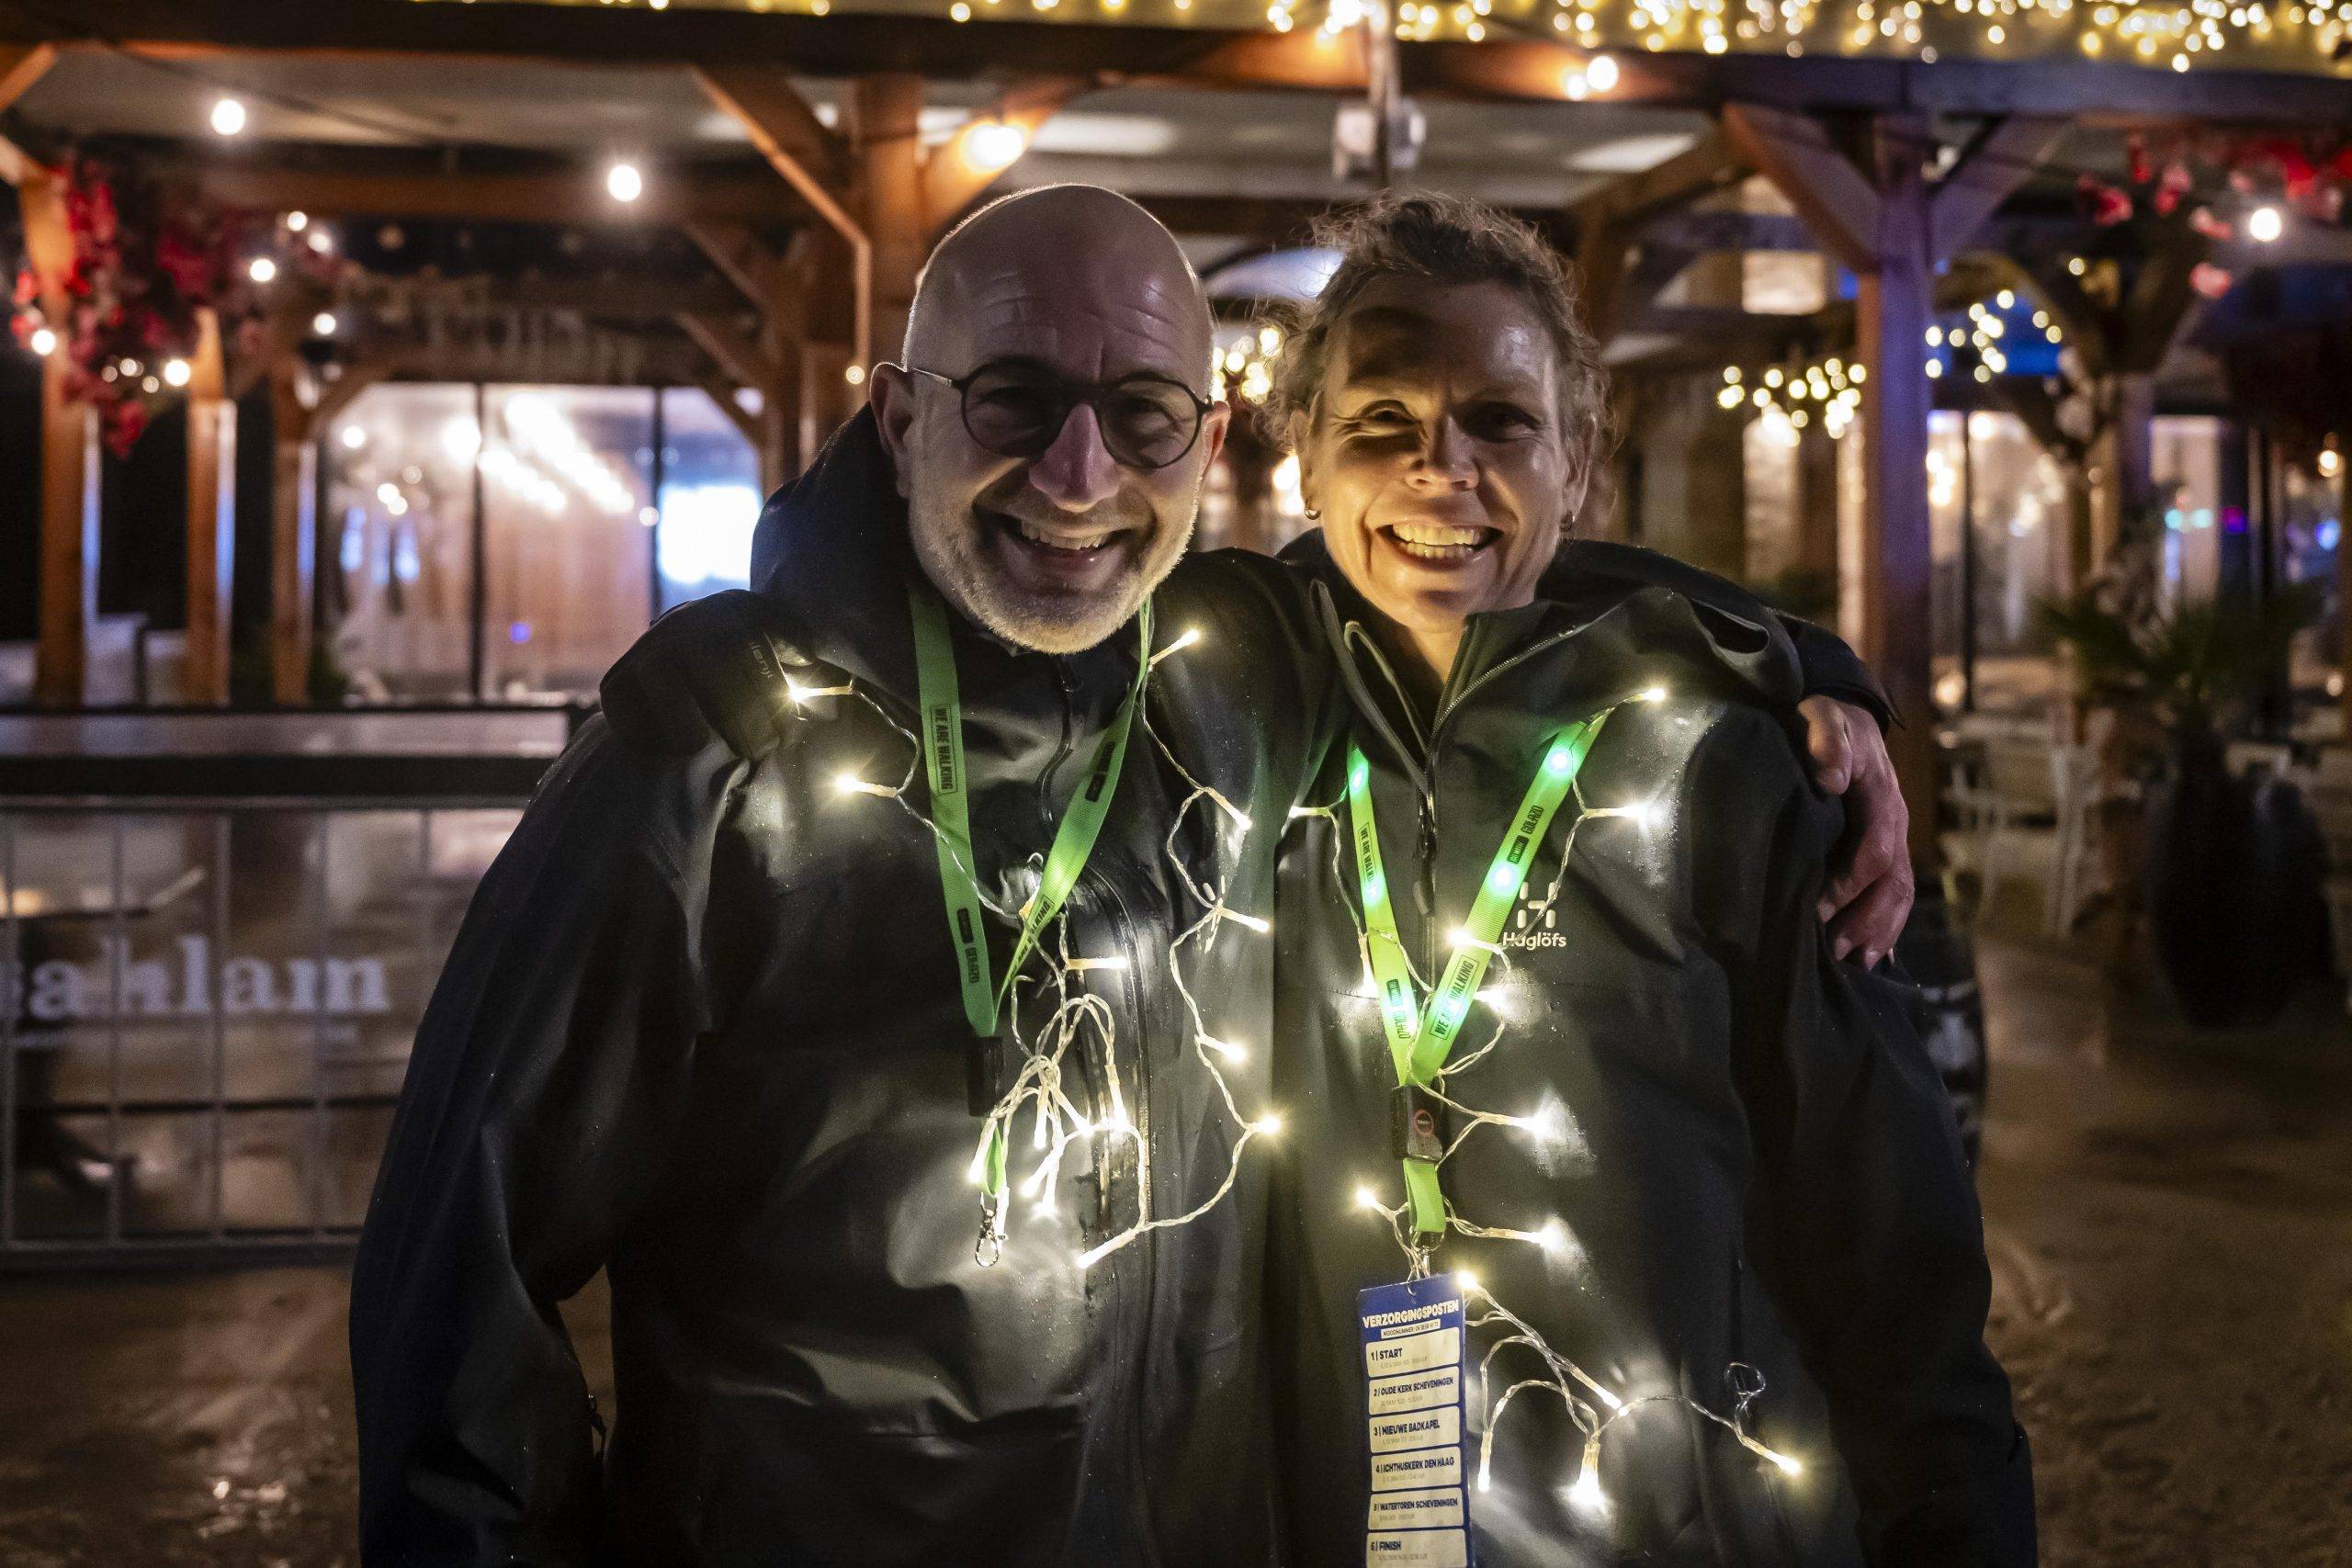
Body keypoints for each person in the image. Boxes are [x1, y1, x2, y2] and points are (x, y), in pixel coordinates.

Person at [349, 184, 1906, 1567]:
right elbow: (457, 1280)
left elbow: (1488, 567)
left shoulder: (1239, 677)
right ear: (899, 421)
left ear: (1210, 444)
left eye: (1143, 412)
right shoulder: (716, 756)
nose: (1079, 472)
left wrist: (1801, 669)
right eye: (1014, 398)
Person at [1259, 192, 2032, 1566]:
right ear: (1304, 457)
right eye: (1380, 421)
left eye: (1500, 421)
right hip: (1363, 1515)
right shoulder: (1238, 727)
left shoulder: (1728, 770)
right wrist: (1784, 644)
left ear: (1577, 465)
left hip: (1695, 1525)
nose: (1440, 468)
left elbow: (1891, 1236)